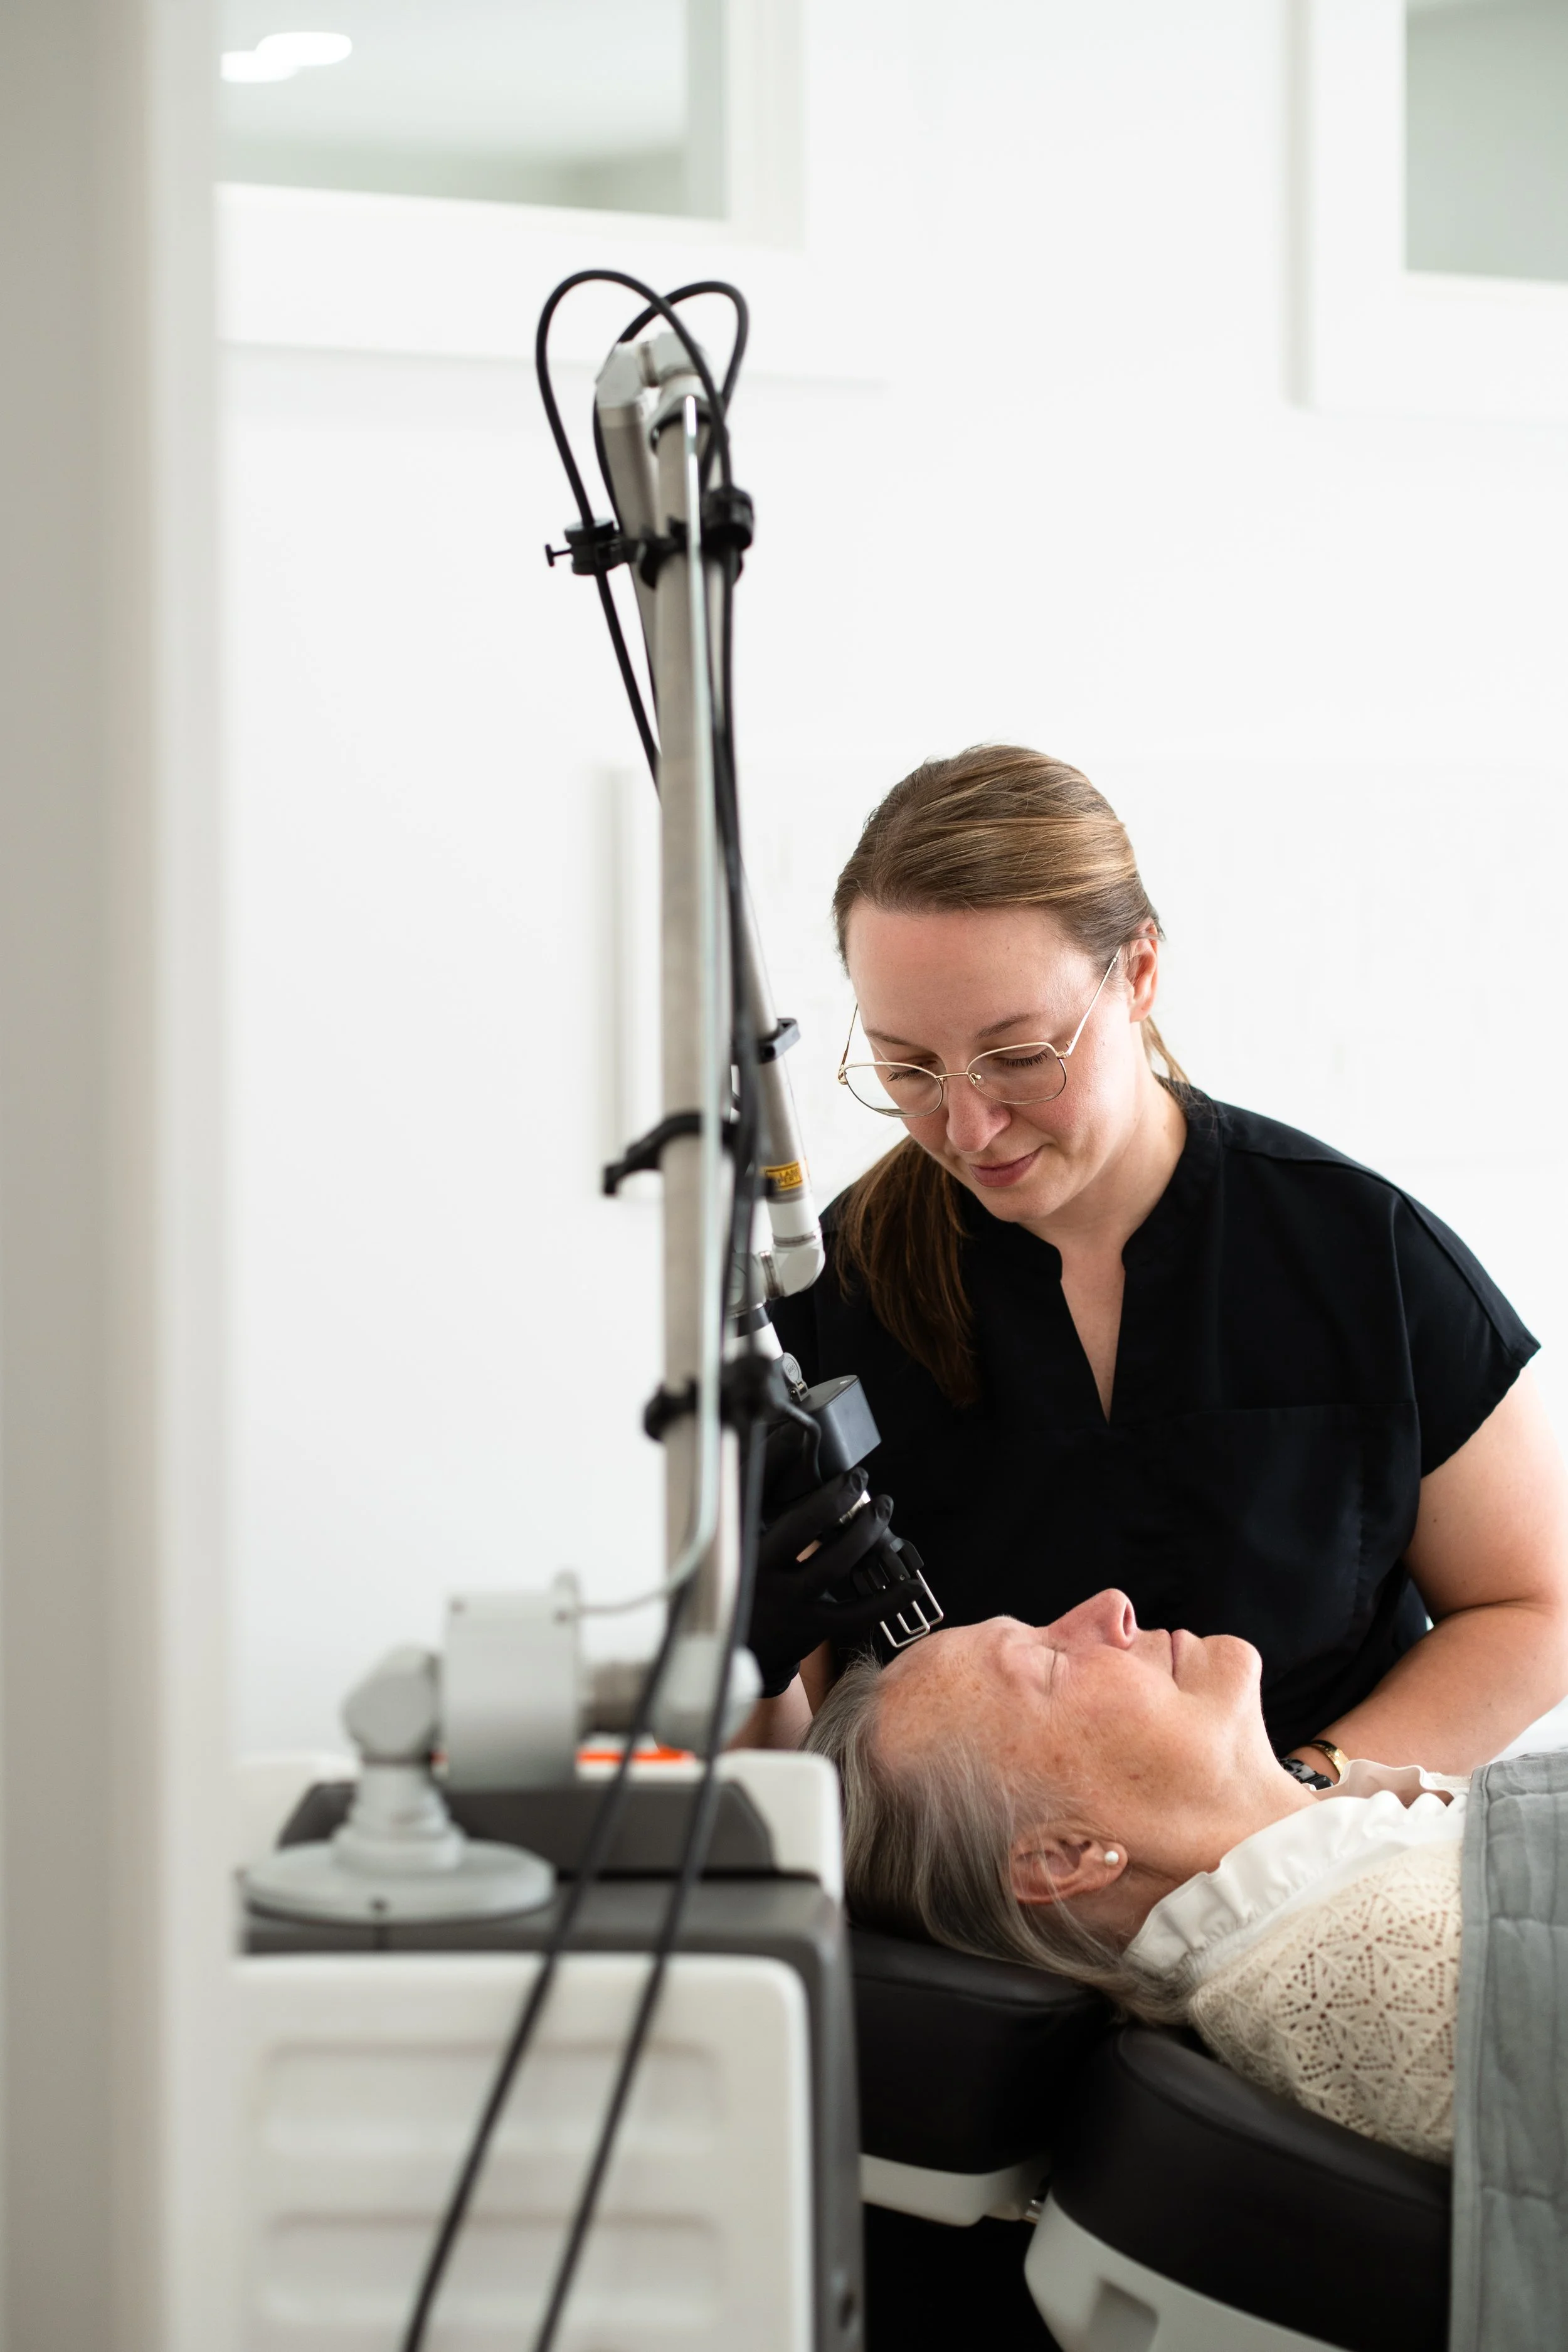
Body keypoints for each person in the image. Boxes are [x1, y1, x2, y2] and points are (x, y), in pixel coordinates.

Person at [742, 744, 1568, 1781]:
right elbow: (792, 1762)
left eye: (1017, 1054)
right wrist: (750, 1654)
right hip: (970, 1926)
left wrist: (1294, 1810)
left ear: (1138, 972)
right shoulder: (831, 1302)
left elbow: (1535, 1608)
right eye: (908, 1066)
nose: (966, 1123)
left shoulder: (1364, 1257)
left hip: (1319, 1878)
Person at [807, 1589, 1470, 2163]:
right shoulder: (1391, 1963)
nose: (1111, 1607)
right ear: (1064, 1857)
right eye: (1053, 1662)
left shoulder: (1369, 1856)